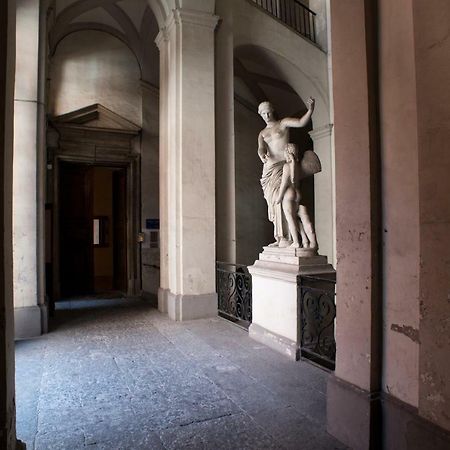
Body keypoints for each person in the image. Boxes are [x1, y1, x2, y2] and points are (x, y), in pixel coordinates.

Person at [257, 98, 317, 249]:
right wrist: (261, 154)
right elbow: (261, 147)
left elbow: (300, 122)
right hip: (269, 170)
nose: (267, 115)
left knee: (284, 201)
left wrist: (310, 110)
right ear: (261, 115)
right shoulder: (262, 133)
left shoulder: (282, 123)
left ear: (273, 111)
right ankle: (280, 237)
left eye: (269, 112)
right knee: (274, 202)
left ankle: (290, 239)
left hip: (283, 165)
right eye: (263, 113)